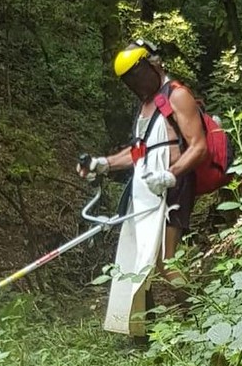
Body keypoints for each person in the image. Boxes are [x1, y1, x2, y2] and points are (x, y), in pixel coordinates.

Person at [78, 40, 207, 302]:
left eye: (137, 75)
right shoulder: (146, 107)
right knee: (142, 256)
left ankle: (200, 310)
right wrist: (104, 163)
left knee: (165, 261)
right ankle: (144, 326)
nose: (135, 84)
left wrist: (170, 175)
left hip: (174, 187)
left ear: (153, 65)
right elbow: (139, 152)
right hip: (146, 190)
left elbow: (198, 146)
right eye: (129, 80)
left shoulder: (177, 95)